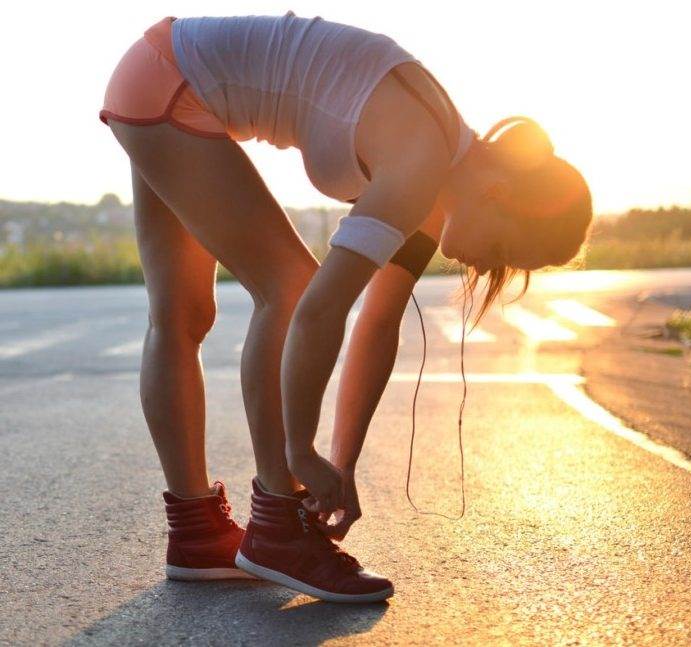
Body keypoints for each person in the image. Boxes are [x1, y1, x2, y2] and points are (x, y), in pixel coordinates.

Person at [98, 12, 592, 603]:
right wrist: (299, 452)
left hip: (156, 76)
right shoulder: (420, 164)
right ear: (499, 193)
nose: (487, 269)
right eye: (504, 252)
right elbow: (318, 311)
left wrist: (342, 463)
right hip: (175, 83)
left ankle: (196, 532)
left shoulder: (435, 177)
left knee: (180, 315)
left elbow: (377, 322)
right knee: (290, 287)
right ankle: (277, 523)